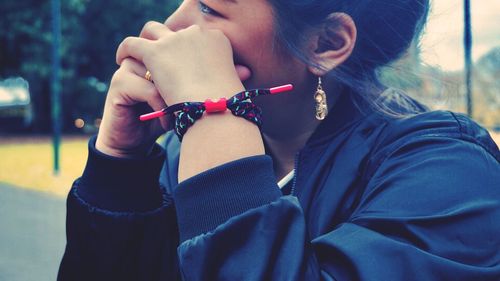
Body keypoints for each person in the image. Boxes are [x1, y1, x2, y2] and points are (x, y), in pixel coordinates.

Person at [57, 0, 500, 280]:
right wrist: (118, 164)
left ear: (326, 43)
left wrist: (216, 112)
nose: (172, 24)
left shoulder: (450, 173)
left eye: (210, 8)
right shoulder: (180, 154)